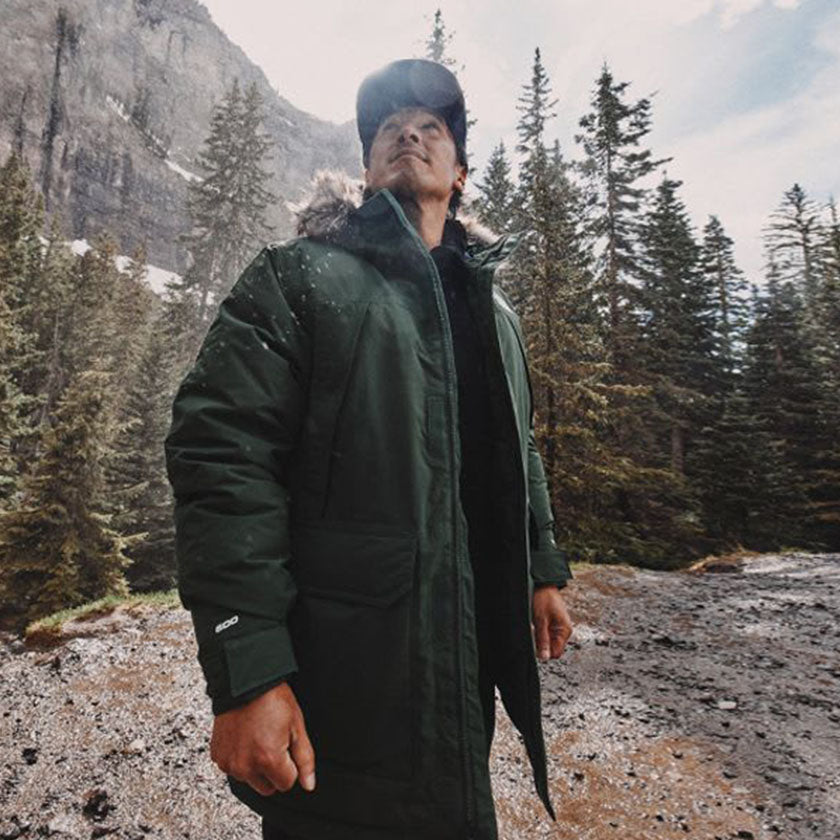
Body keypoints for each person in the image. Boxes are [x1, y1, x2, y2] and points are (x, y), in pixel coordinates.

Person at [164, 58, 573, 840]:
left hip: (461, 667)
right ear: (365, 167)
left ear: (459, 173)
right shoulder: (300, 278)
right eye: (389, 129)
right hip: (341, 675)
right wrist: (249, 675)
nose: (408, 135)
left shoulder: (496, 315)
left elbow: (514, 453)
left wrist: (542, 568)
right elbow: (221, 453)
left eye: (431, 128)